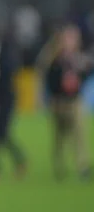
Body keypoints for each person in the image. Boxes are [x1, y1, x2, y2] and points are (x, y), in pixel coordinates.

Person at [35, 23, 92, 181]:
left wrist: (78, 77)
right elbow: (45, 75)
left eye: (73, 38)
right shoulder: (53, 58)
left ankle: (83, 166)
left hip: (75, 101)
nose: (71, 41)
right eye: (68, 37)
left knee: (79, 134)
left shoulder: (78, 58)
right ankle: (59, 166)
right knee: (59, 137)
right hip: (58, 102)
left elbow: (86, 73)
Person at [0, 21, 26, 182]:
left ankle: (20, 160)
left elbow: (11, 69)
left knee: (1, 134)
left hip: (5, 98)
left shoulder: (5, 49)